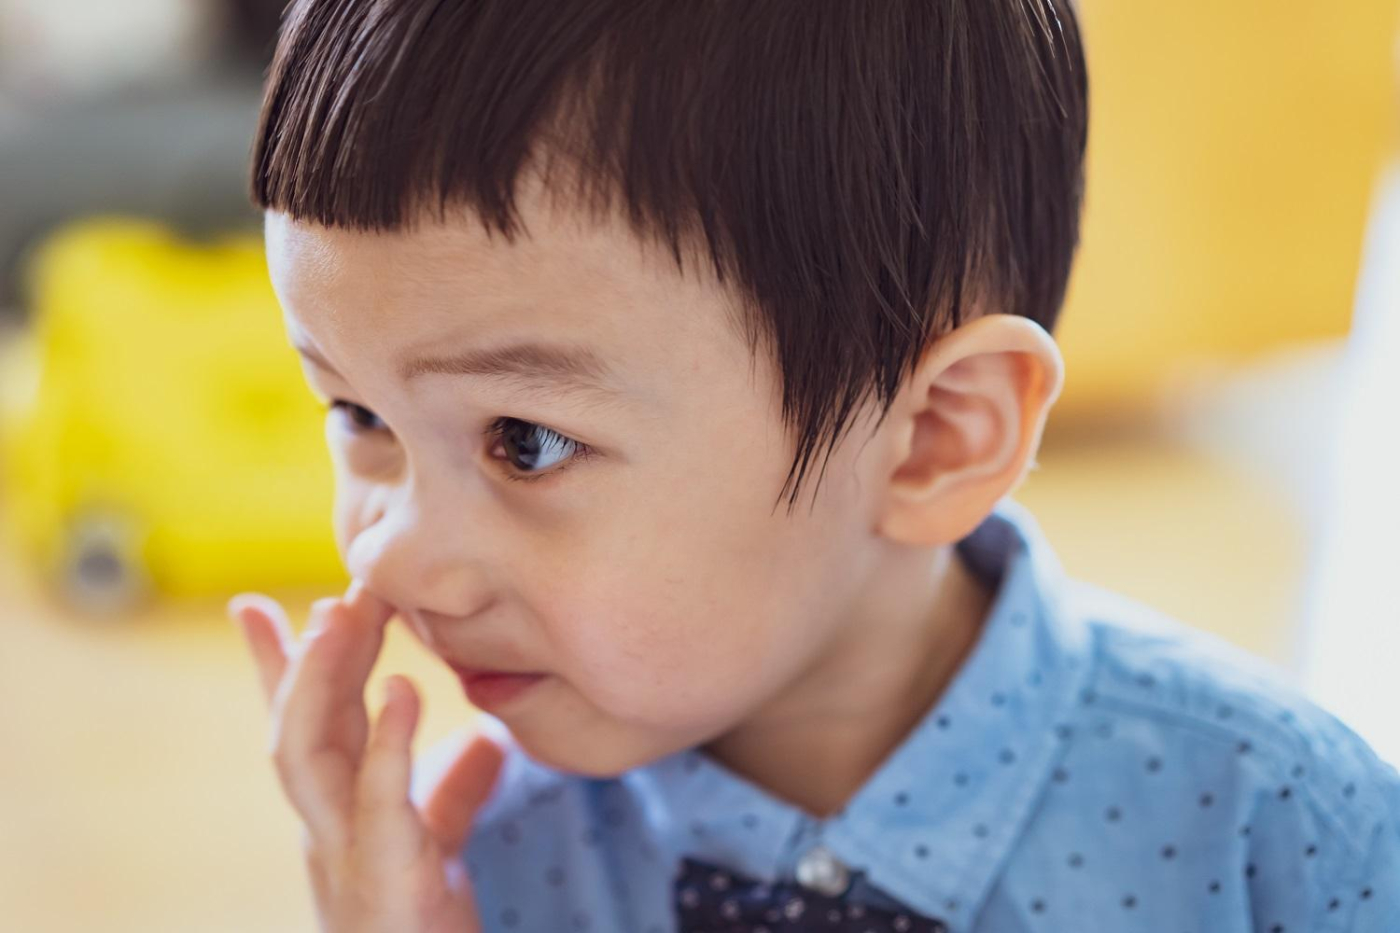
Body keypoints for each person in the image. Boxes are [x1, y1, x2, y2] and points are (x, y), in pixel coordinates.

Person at [226, 2, 1400, 931]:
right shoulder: (469, 858)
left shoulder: (1281, 832)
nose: (390, 555)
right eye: (356, 412)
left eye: (523, 442)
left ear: (936, 437)